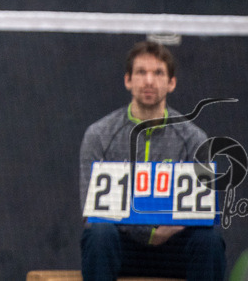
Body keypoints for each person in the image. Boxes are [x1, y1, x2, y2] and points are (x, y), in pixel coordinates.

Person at [79, 41, 227, 281]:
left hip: (173, 249)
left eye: (158, 73)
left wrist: (167, 231)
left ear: (171, 83)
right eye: (141, 72)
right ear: (128, 80)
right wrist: (147, 233)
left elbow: (203, 213)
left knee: (208, 240)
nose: (149, 81)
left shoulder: (195, 139)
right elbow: (91, 213)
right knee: (99, 233)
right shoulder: (99, 135)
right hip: (120, 249)